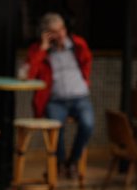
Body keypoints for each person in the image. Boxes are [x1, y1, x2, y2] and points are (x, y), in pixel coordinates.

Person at [25, 12, 93, 179]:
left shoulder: (77, 45)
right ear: (47, 34)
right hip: (56, 100)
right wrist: (42, 49)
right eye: (55, 31)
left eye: (62, 29)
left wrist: (85, 82)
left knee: (88, 124)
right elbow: (29, 75)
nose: (61, 34)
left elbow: (87, 62)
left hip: (79, 97)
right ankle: (60, 163)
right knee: (56, 129)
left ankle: (73, 161)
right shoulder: (39, 50)